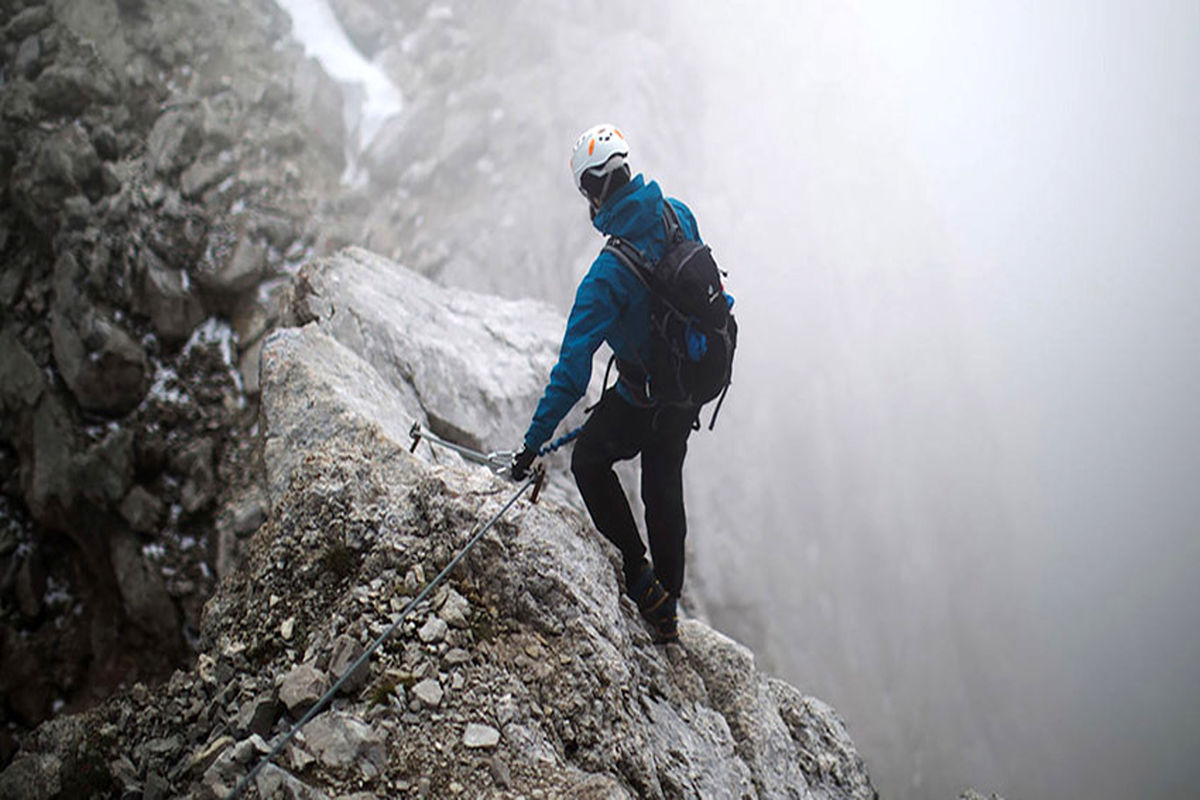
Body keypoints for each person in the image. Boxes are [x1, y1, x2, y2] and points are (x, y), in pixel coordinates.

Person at [510, 123, 703, 644]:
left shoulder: (605, 276)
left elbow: (571, 374)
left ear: (594, 191)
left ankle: (641, 580)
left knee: (589, 463)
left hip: (644, 396)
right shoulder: (677, 213)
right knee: (665, 483)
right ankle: (668, 608)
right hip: (688, 386)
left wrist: (529, 449)